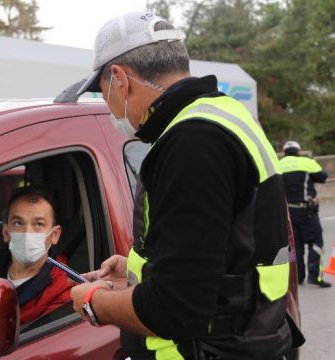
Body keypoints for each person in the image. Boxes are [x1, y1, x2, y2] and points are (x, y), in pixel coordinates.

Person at [71, 10, 300, 359]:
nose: (108, 106)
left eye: (103, 94)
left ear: (119, 79)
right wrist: (139, 270)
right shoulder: (223, 114)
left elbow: (175, 308)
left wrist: (93, 303)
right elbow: (220, 252)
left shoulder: (192, 144)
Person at [0, 187, 74, 324]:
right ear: (5, 232)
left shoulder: (62, 289)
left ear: (54, 235)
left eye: (38, 224)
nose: (27, 232)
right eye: (18, 223)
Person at [279, 140, 331, 288]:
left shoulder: (278, 164)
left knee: (293, 246)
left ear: (284, 152)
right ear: (299, 151)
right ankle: (315, 277)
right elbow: (323, 177)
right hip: (306, 211)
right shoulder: (306, 162)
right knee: (316, 243)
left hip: (286, 212)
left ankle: (297, 277)